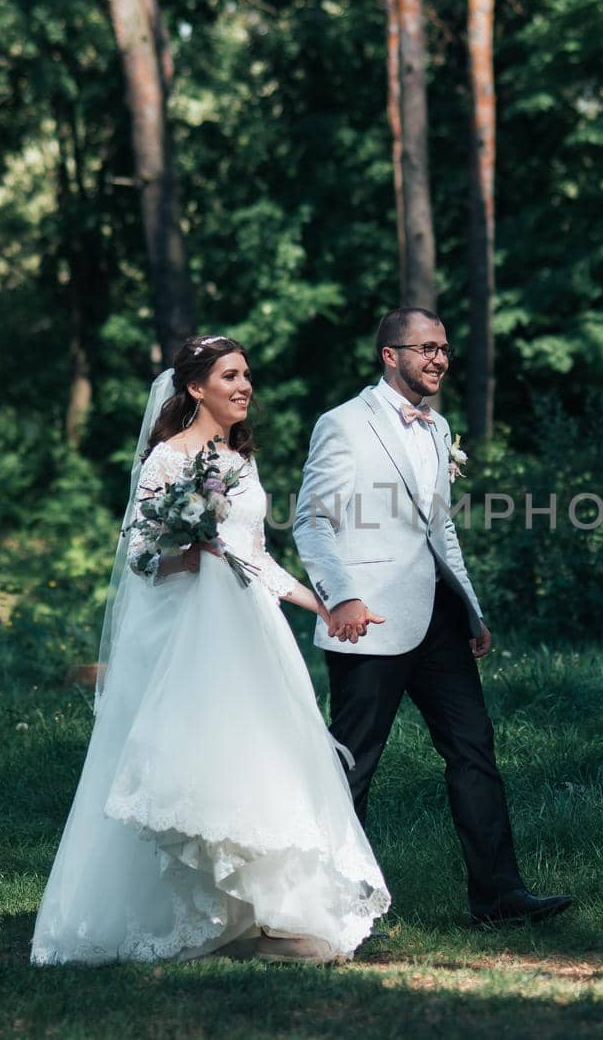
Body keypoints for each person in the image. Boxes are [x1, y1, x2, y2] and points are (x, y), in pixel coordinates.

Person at [31, 336, 388, 966]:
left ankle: (269, 915)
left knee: (264, 759)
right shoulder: (167, 460)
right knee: (195, 767)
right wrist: (191, 553)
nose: (245, 386)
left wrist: (328, 607)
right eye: (230, 376)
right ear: (196, 387)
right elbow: (140, 555)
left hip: (249, 633)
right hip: (187, 638)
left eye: (247, 375)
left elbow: (256, 556)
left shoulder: (240, 460)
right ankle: (192, 914)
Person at [293, 308, 574, 927]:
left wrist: (470, 607)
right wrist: (341, 597)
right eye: (426, 349)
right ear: (390, 355)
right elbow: (311, 521)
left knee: (474, 752)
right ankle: (328, 905)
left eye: (445, 349)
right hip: (367, 620)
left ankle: (499, 897)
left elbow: (438, 528)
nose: (439, 359)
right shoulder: (342, 424)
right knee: (353, 763)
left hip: (439, 619)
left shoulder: (439, 426)